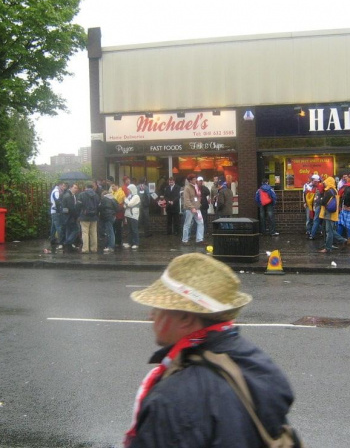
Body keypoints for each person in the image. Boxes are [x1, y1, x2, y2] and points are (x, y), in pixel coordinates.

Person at [125, 253, 302, 448]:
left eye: (158, 307)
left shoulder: (170, 400)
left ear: (185, 318)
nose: (151, 316)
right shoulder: (254, 362)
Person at [318, 176, 347, 253]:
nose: (324, 184)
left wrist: (319, 200)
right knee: (330, 230)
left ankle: (328, 248)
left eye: (326, 182)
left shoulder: (329, 192)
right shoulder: (334, 190)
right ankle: (341, 240)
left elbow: (323, 202)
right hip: (332, 213)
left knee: (329, 231)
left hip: (328, 213)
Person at [182, 174, 205, 245]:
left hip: (197, 208)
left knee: (201, 223)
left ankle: (199, 239)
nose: (196, 180)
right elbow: (186, 199)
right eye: (194, 179)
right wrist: (192, 207)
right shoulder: (187, 188)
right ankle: (185, 240)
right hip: (190, 209)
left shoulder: (196, 186)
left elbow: (198, 196)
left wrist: (199, 204)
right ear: (190, 180)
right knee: (187, 224)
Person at [78, 182, 100, 254]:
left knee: (85, 233)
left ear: (86, 187)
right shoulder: (96, 195)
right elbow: (99, 206)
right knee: (93, 233)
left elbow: (78, 205)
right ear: (92, 188)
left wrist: (79, 213)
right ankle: (94, 248)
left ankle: (85, 249)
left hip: (84, 216)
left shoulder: (81, 195)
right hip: (94, 217)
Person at [62, 183, 80, 252]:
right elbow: (71, 208)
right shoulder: (69, 196)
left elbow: (65, 208)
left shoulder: (67, 195)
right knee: (76, 230)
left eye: (77, 188)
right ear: (71, 187)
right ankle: (67, 242)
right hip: (71, 216)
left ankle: (68, 247)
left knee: (68, 231)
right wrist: (76, 216)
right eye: (75, 188)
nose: (76, 189)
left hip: (66, 216)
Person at [49, 181, 67, 249]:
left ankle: (52, 239)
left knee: (53, 227)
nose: (64, 187)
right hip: (56, 212)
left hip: (53, 211)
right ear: (59, 185)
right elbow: (57, 201)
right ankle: (62, 241)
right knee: (59, 227)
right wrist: (60, 210)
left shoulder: (55, 190)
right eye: (63, 186)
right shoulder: (56, 191)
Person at [124, 183, 141, 249]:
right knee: (129, 229)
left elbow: (129, 204)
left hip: (134, 215)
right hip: (128, 214)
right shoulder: (130, 196)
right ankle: (130, 242)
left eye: (129, 189)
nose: (128, 191)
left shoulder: (136, 196)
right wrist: (127, 203)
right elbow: (125, 205)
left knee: (134, 229)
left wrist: (126, 200)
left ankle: (136, 243)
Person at [112, 183, 127, 249]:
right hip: (114, 213)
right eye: (111, 186)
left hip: (119, 214)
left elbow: (118, 202)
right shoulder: (113, 192)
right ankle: (115, 241)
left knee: (118, 228)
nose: (112, 187)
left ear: (117, 186)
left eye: (113, 186)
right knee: (114, 228)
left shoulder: (121, 193)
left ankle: (118, 242)